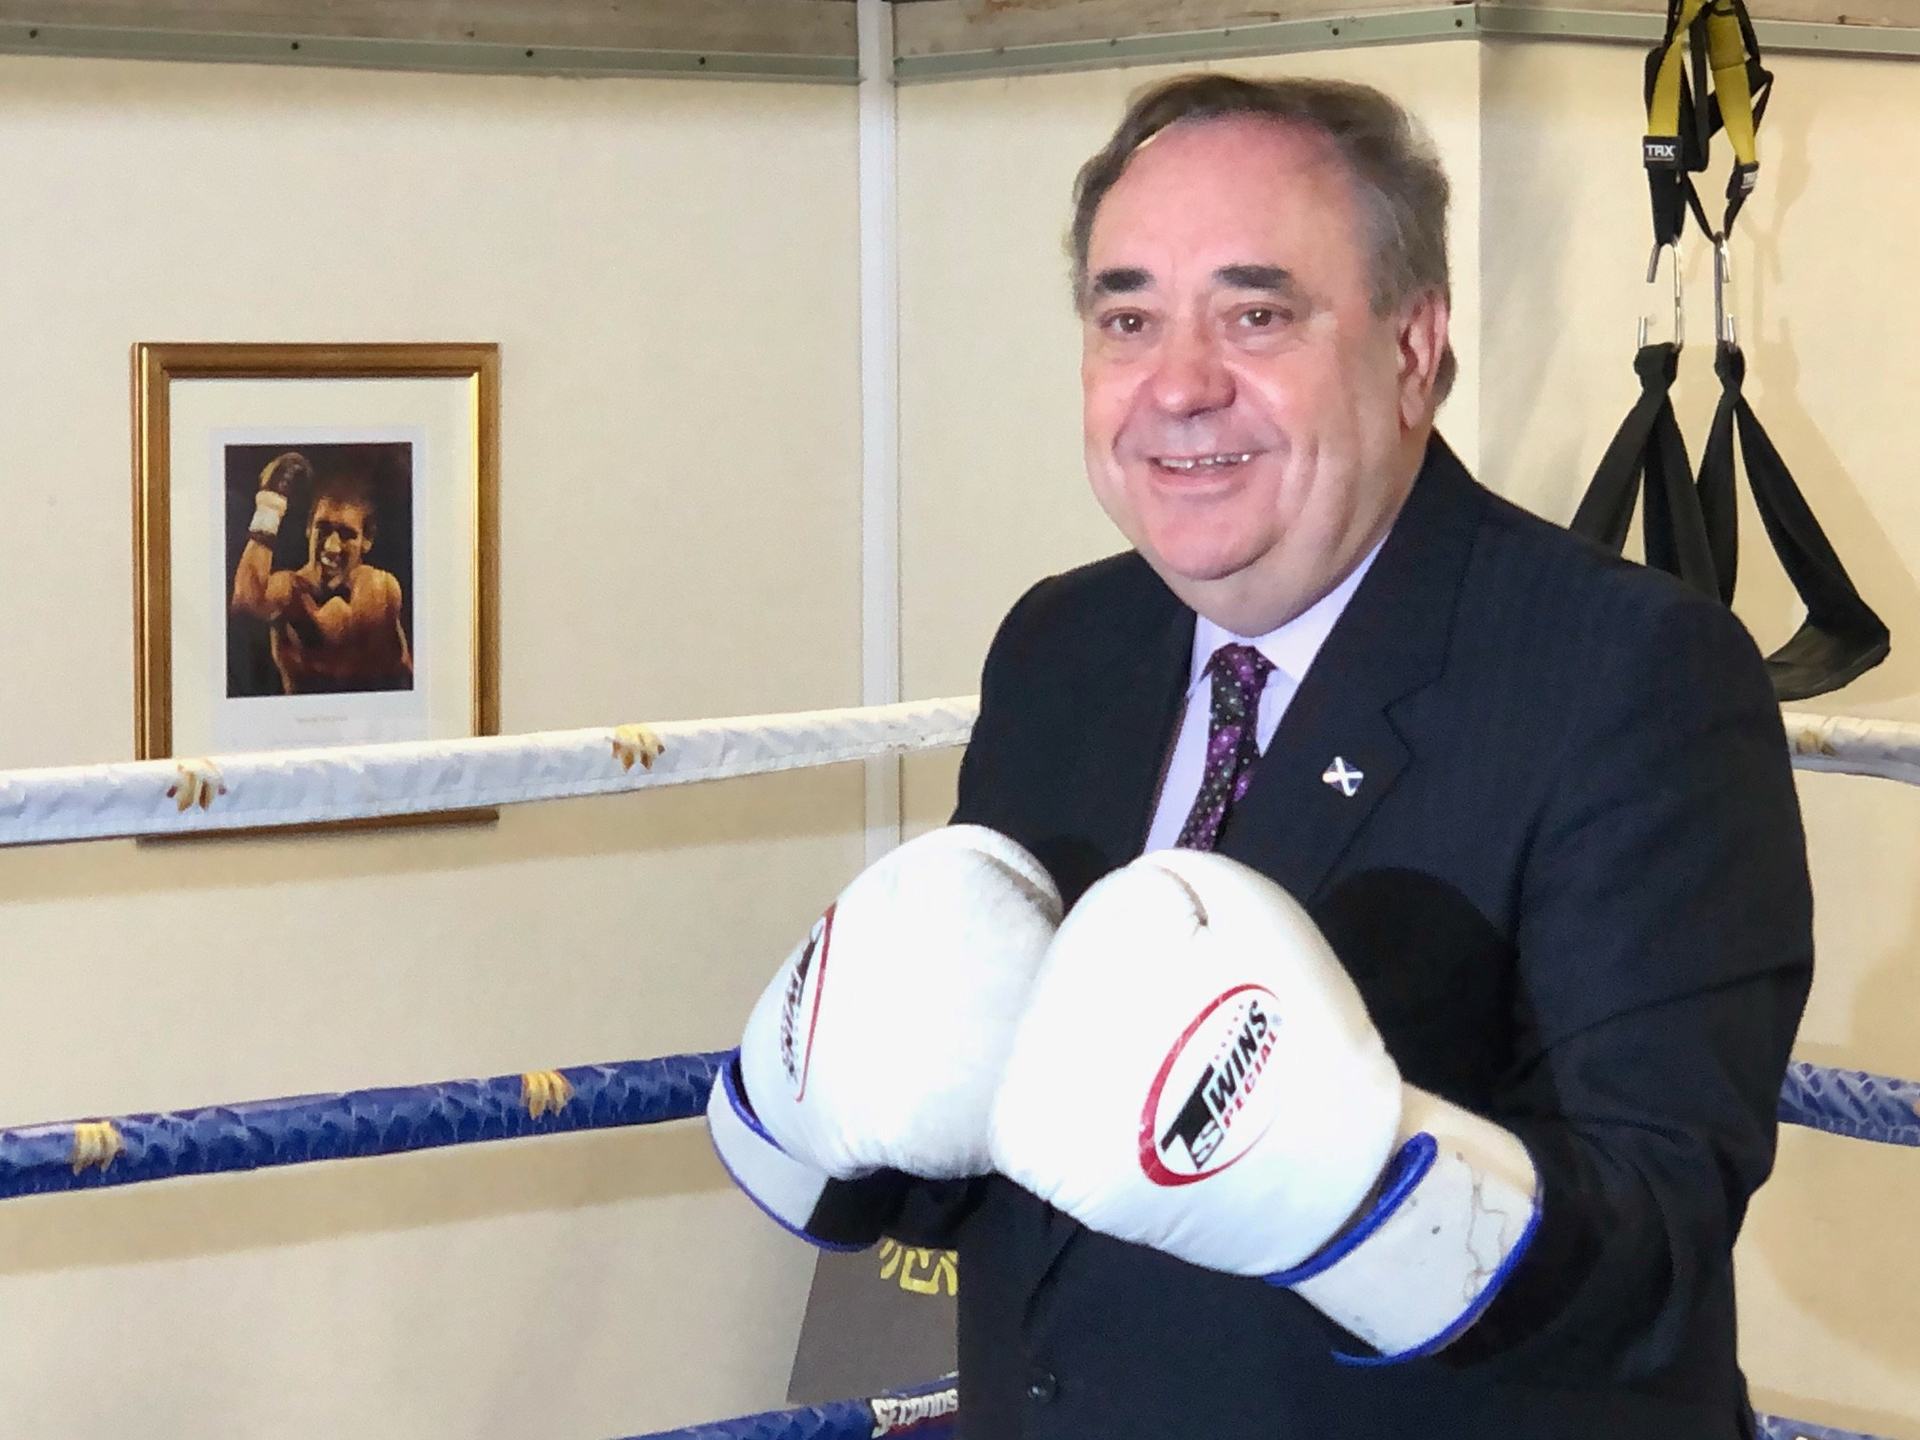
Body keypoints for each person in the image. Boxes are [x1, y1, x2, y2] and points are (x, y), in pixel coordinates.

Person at [709, 74, 1811, 1438]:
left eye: (1257, 314)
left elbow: (1656, 1245)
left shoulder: (1628, 675)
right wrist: (827, 1106)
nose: (1177, 385)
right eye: (1128, 319)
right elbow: (1039, 1162)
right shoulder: (1065, 648)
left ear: (1413, 350)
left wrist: (1359, 1181)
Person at [230, 451, 413, 694]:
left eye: (347, 534)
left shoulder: (380, 587)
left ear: (366, 540)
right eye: (323, 529)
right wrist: (269, 507)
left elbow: (336, 632)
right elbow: (244, 604)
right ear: (308, 529)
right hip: (300, 726)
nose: (332, 546)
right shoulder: (287, 587)